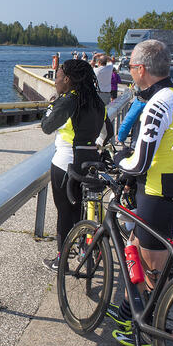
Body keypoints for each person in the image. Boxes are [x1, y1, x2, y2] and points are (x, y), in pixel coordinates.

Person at [108, 39, 173, 346]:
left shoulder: (159, 102)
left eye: (131, 66)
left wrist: (117, 160)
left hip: (159, 190)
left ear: (141, 69)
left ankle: (145, 331)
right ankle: (128, 308)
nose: (129, 71)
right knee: (135, 246)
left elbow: (140, 161)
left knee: (151, 267)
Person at [40, 59, 113, 270]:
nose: (55, 81)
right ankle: (85, 249)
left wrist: (52, 105)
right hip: (90, 162)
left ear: (67, 79)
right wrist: (96, 146)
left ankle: (61, 261)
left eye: (58, 77)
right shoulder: (97, 102)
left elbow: (47, 126)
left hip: (65, 162)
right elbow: (108, 132)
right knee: (83, 209)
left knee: (65, 212)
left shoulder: (67, 101)